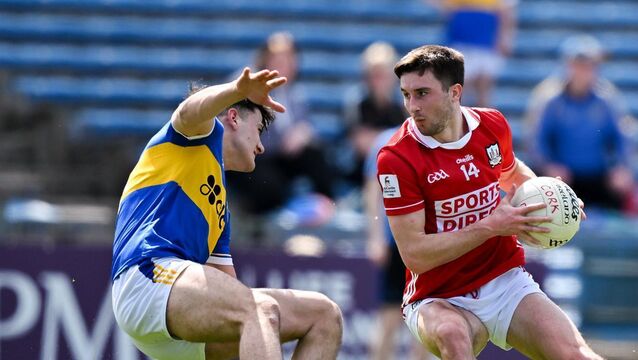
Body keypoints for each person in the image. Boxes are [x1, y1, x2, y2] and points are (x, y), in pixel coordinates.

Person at [376, 45, 602, 359]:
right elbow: (415, 255)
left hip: (504, 280)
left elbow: (511, 172)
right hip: (437, 296)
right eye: (406, 94)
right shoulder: (397, 158)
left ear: (455, 92)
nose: (412, 106)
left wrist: (554, 200)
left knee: (577, 355)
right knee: (453, 335)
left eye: (422, 93)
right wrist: (488, 227)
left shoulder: (492, 125)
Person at [111, 68, 343, 360]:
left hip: (179, 308)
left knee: (323, 315)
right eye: (258, 130)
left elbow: (228, 288)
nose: (260, 146)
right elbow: (189, 109)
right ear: (233, 117)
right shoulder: (195, 137)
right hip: (147, 280)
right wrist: (237, 89)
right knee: (259, 310)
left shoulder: (219, 205)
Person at [226, 32, 336, 216]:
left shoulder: (294, 92)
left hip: (279, 158)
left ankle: (328, 207)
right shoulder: (247, 86)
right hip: (252, 159)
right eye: (278, 58)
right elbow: (241, 135)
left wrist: (303, 134)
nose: (284, 64)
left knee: (317, 156)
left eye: (289, 58)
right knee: (269, 186)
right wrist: (282, 141)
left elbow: (306, 126)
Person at [530, 35, 634, 210]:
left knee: (623, 190)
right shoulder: (550, 99)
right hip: (562, 179)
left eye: (591, 66)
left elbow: (622, 138)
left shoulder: (607, 99)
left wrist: (622, 168)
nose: (585, 71)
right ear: (568, 66)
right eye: (580, 65)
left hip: (599, 177)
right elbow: (537, 141)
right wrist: (549, 166)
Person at [364, 128, 431, 360]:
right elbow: (373, 191)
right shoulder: (388, 141)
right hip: (399, 244)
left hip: (427, 245)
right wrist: (376, 237)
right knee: (392, 317)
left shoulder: (430, 140)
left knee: (425, 319)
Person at [428, 0, 517, 107]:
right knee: (460, 84)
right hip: (460, 40)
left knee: (483, 86)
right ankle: (458, 119)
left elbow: (506, 12)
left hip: (485, 41)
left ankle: (483, 120)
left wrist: (505, 37)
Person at [343, 42, 407, 185]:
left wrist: (376, 138)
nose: (377, 81)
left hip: (396, 173)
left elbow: (409, 145)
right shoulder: (356, 102)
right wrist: (391, 138)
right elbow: (361, 145)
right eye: (374, 75)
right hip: (359, 175)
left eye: (383, 75)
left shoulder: (403, 104)